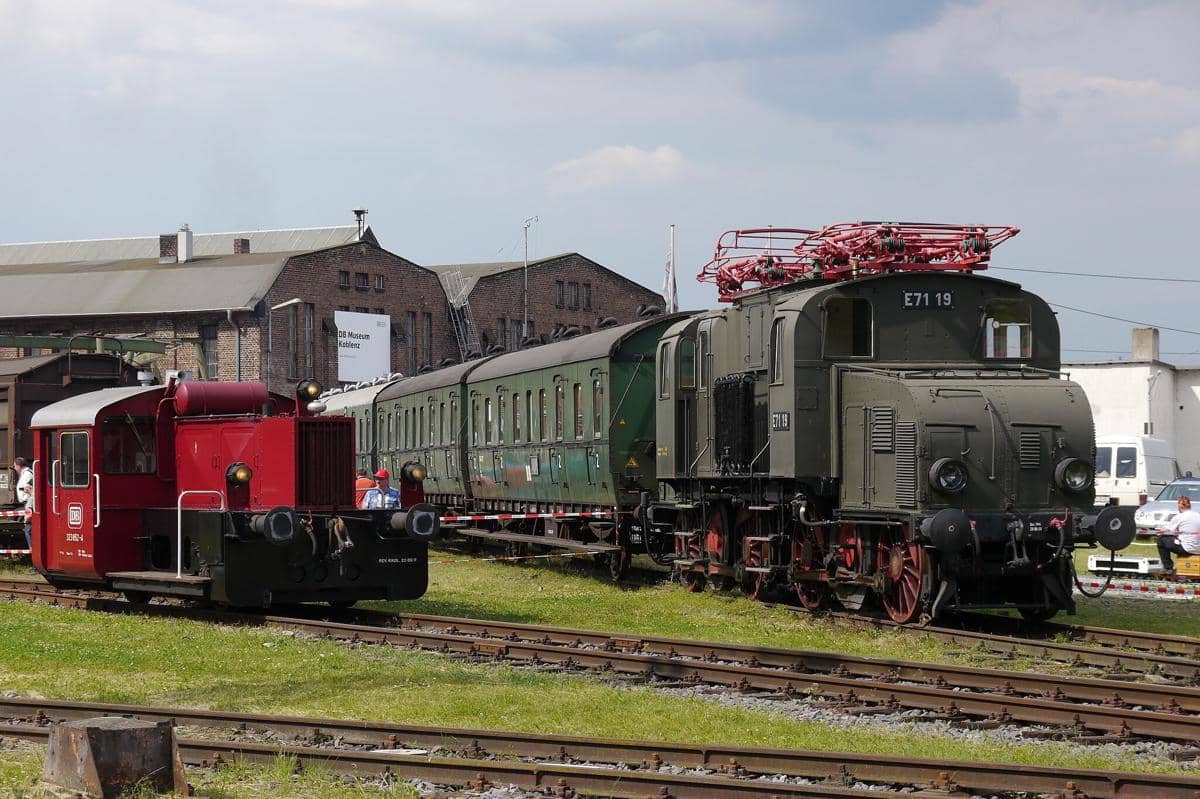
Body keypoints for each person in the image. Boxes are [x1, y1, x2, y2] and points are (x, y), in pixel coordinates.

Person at [1156, 495, 1200, 571]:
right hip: (1198, 548)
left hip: (1186, 548)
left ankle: (1167, 567)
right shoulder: (1198, 515)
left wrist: (1158, 531)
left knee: (1161, 540)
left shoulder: (1180, 516)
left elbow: (1165, 530)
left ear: (1179, 506)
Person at [12, 458, 33, 551]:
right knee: (28, 529)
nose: (14, 468)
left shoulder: (28, 474)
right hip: (27, 504)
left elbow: (29, 489)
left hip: (29, 504)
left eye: (15, 466)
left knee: (28, 529)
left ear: (18, 466)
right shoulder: (25, 474)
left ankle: (33, 552)